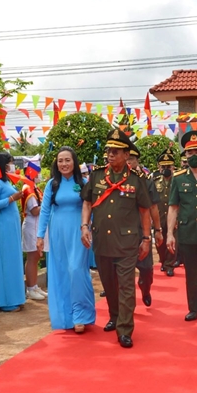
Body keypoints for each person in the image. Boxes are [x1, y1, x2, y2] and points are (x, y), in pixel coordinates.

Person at [81, 129, 152, 348]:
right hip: (103, 240)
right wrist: (85, 225)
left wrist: (147, 238)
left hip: (127, 243)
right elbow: (87, 202)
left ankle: (125, 329)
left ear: (126, 154)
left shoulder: (136, 179)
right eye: (109, 151)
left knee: (127, 286)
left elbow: (144, 211)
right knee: (109, 285)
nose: (111, 155)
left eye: (116, 151)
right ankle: (114, 315)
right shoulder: (96, 176)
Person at [36, 147, 95, 332]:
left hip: (78, 232)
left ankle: (81, 315)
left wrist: (89, 228)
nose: (64, 164)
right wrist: (40, 235)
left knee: (76, 269)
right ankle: (65, 316)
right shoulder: (52, 184)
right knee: (61, 272)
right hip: (58, 232)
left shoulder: (83, 182)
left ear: (74, 162)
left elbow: (90, 207)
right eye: (60, 160)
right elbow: (45, 210)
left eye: (67, 160)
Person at [168, 130, 197, 331]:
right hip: (187, 232)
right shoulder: (178, 178)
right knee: (191, 273)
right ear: (185, 155)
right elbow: (173, 207)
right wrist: (170, 232)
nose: (193, 155)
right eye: (189, 152)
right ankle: (194, 308)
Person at [0, 152, 28, 312]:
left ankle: (17, 297)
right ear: (3, 165)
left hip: (11, 225)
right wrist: (12, 199)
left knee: (14, 260)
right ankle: (6, 301)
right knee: (5, 261)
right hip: (2, 226)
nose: (12, 165)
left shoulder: (6, 181)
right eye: (10, 163)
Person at [128, 143, 164, 307]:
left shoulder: (146, 181)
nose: (129, 163)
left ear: (137, 161)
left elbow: (153, 207)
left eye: (132, 159)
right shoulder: (113, 179)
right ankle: (127, 307)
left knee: (146, 270)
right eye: (127, 159)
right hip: (122, 233)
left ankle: (145, 289)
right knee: (124, 273)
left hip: (142, 232)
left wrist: (157, 230)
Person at [21, 172, 46, 301]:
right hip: (31, 224)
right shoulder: (28, 188)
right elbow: (34, 210)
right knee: (32, 257)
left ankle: (35, 286)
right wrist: (47, 205)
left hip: (37, 224)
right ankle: (30, 288)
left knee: (36, 256)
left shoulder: (35, 187)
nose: (39, 174)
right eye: (37, 172)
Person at [154, 147, 177, 277]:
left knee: (172, 241)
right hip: (159, 216)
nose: (166, 169)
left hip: (173, 216)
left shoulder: (177, 181)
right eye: (163, 167)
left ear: (173, 167)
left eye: (169, 166)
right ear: (159, 167)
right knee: (159, 243)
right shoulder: (155, 181)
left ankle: (170, 265)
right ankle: (163, 260)